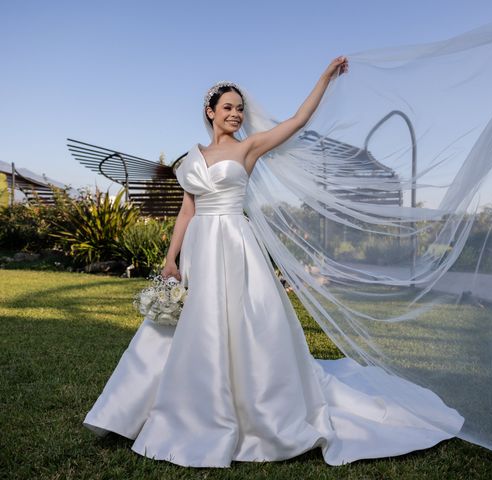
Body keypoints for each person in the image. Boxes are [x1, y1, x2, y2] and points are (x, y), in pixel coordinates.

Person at [82, 55, 464, 467]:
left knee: (247, 320)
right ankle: (158, 407)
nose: (235, 113)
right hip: (199, 246)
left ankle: (253, 408)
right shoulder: (189, 159)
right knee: (187, 326)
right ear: (210, 112)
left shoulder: (250, 147)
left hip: (234, 242)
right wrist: (170, 259)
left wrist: (324, 78)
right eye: (227, 107)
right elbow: (187, 211)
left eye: (239, 108)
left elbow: (298, 120)